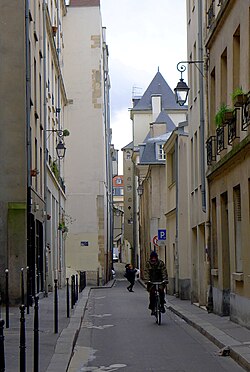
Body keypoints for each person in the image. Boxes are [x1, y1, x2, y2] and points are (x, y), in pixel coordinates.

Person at [144, 251, 168, 315]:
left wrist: (165, 279)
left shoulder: (160, 263)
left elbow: (164, 271)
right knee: (152, 294)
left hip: (160, 280)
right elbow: (146, 272)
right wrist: (147, 280)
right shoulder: (148, 264)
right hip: (151, 281)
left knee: (161, 292)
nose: (153, 259)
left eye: (155, 258)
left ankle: (162, 305)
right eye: (152, 258)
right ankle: (152, 308)